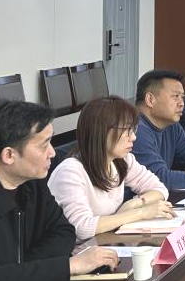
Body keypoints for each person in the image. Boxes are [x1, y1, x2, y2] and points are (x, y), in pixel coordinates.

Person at [0, 101, 117, 281]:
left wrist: (21, 271)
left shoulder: (31, 181)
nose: (52, 153)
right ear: (9, 155)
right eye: (44, 145)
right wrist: (69, 266)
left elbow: (64, 232)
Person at [48, 96, 175, 241]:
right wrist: (140, 213)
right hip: (79, 250)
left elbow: (160, 189)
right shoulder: (70, 172)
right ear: (101, 131)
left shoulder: (122, 160)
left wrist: (134, 203)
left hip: (106, 243)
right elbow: (82, 228)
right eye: (126, 130)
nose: (133, 137)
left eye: (133, 129)